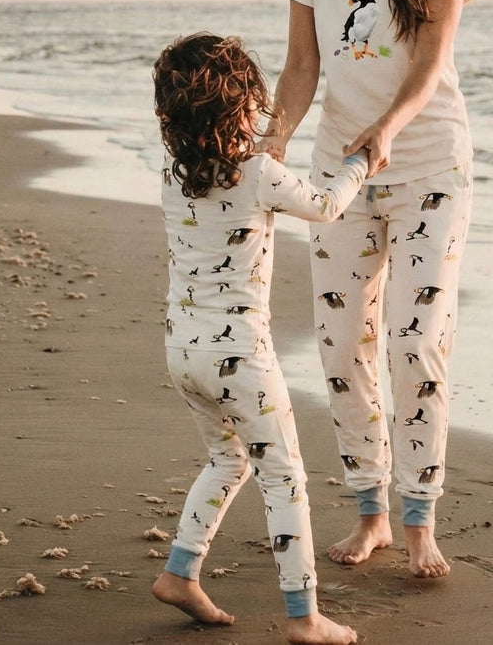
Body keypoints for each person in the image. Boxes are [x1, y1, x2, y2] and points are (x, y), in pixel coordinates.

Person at [259, 0, 474, 579]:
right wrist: (272, 142)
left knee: (416, 343)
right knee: (343, 344)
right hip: (339, 178)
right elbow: (302, 66)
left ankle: (419, 518)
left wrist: (386, 128)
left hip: (427, 168)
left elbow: (431, 60)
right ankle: (371, 513)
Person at [151, 32, 367, 644]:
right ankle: (304, 617)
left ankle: (180, 573)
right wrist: (360, 163)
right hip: (241, 358)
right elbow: (324, 205)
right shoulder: (258, 173)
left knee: (228, 459)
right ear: (243, 106)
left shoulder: (173, 175)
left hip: (183, 351)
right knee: (284, 476)